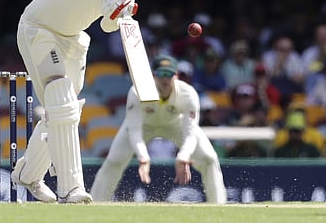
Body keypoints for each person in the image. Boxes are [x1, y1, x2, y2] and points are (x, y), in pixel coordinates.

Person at [12, 0, 158, 204]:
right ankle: (71, 189)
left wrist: (120, 7)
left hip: (72, 40)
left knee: (65, 111)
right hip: (39, 28)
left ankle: (28, 174)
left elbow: (106, 25)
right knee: (62, 102)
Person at [90, 55, 227, 204]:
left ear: (177, 76)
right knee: (114, 161)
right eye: (161, 74)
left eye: (169, 74)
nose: (165, 79)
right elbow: (134, 130)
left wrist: (183, 156)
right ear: (153, 76)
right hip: (143, 126)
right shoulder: (137, 92)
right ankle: (96, 203)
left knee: (209, 159)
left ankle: (218, 205)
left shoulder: (188, 94)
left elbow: (190, 133)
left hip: (176, 125)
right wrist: (143, 156)